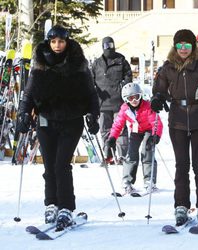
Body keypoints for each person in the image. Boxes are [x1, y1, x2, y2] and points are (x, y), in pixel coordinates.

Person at [17, 25, 100, 231]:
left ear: (67, 42)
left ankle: (66, 207)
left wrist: (93, 114)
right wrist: (24, 114)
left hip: (71, 120)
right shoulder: (40, 63)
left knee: (61, 165)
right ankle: (51, 204)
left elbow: (91, 93)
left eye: (61, 41)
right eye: (53, 41)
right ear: (48, 42)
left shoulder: (77, 62)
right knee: (49, 166)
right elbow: (28, 93)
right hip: (46, 121)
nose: (57, 45)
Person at [151, 29, 198, 226]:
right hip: (178, 121)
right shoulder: (167, 67)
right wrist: (157, 99)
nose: (183, 49)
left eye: (187, 45)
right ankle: (181, 205)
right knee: (181, 165)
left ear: (193, 47)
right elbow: (159, 90)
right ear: (175, 46)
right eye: (180, 45)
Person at [105, 83, 163, 194]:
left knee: (146, 151)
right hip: (136, 131)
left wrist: (156, 135)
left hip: (149, 130)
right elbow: (118, 124)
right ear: (126, 99)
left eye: (136, 97)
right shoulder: (124, 109)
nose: (134, 100)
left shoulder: (147, 106)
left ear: (140, 96)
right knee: (131, 153)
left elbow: (156, 122)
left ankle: (149, 181)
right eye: (130, 98)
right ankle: (127, 181)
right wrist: (112, 138)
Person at [91, 36, 132, 165]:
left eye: (111, 45)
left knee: (120, 129)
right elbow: (91, 80)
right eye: (106, 46)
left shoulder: (121, 60)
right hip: (102, 103)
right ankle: (108, 154)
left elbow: (128, 76)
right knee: (105, 130)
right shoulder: (97, 63)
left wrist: (123, 87)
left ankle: (122, 156)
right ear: (103, 47)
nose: (109, 48)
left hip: (119, 102)